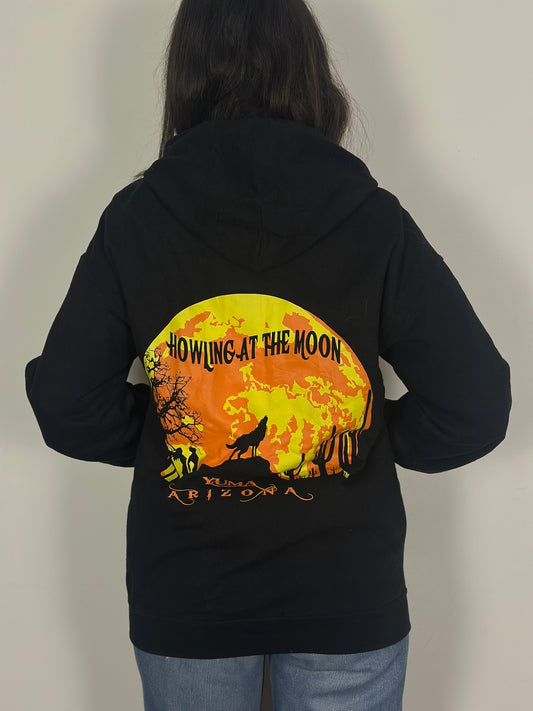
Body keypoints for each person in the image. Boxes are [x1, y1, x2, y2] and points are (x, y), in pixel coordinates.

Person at [24, 1, 512, 710]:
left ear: (185, 76)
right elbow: (475, 404)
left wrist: (180, 432)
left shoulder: (137, 218)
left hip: (187, 596)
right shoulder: (370, 219)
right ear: (310, 72)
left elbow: (69, 404)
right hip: (346, 596)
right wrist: (358, 434)